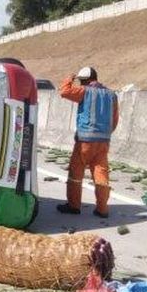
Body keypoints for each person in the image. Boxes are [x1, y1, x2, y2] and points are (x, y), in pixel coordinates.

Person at [56, 67, 119, 218]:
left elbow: (64, 92)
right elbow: (115, 119)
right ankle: (102, 209)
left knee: (76, 173)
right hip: (103, 141)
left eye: (81, 81)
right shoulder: (112, 95)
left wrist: (69, 79)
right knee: (101, 173)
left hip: (85, 141)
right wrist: (106, 134)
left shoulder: (84, 91)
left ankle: (74, 206)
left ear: (85, 80)